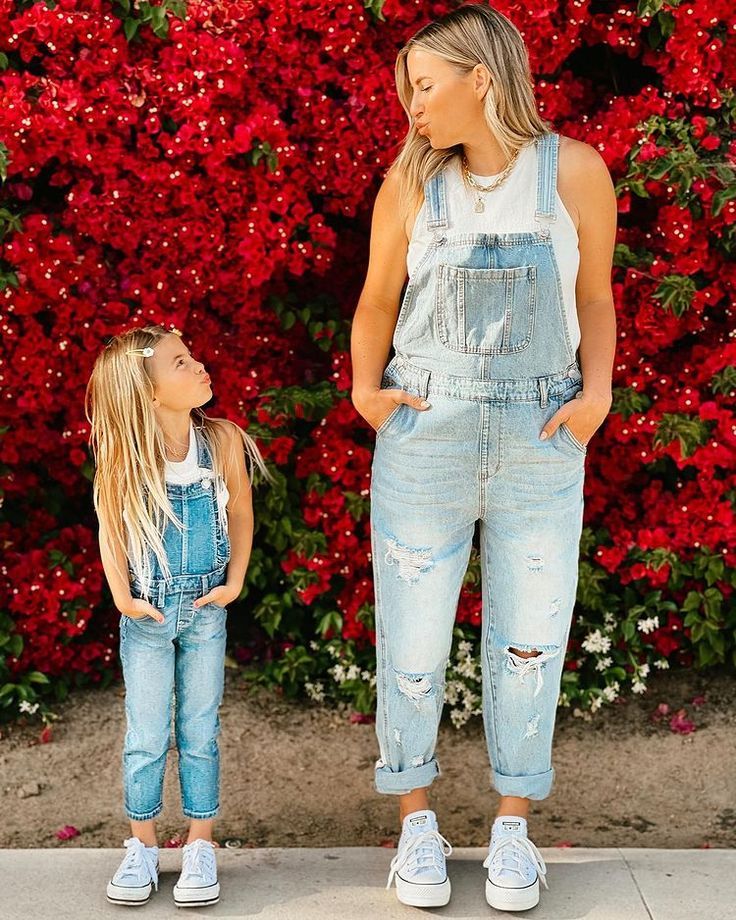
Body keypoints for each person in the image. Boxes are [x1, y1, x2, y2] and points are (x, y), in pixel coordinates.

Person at [351, 4, 616, 912]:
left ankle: (512, 830)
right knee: (415, 640)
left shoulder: (574, 171)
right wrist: (365, 392)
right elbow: (376, 298)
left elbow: (595, 296)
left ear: (483, 79)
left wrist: (596, 396)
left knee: (530, 641)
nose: (412, 107)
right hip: (429, 433)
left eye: (424, 87)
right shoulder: (411, 182)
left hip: (542, 437)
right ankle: (416, 826)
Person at [85, 324, 269, 907]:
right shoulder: (126, 453)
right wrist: (121, 596)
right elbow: (111, 529)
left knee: (198, 729)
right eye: (181, 363)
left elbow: (240, 513)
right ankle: (141, 844)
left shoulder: (222, 441)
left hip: (205, 611)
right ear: (148, 390)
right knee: (145, 733)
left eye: (192, 357)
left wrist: (234, 580)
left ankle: (199, 843)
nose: (198, 367)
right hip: (146, 615)